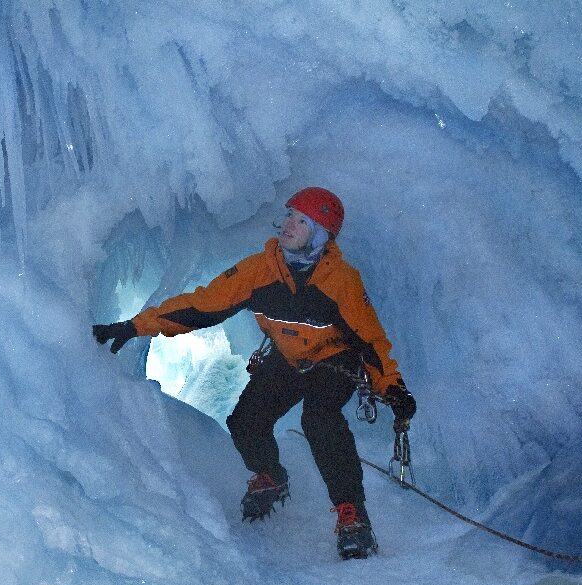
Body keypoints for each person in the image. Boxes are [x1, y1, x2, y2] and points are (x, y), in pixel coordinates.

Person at [93, 186, 416, 560]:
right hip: (287, 358)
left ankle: (352, 515)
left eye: (301, 220)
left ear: (322, 234)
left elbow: (370, 341)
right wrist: (136, 326)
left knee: (320, 419)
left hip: (334, 361)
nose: (289, 225)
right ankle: (271, 475)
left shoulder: (342, 281)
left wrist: (392, 387)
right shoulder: (259, 271)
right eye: (289, 215)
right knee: (245, 421)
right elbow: (202, 305)